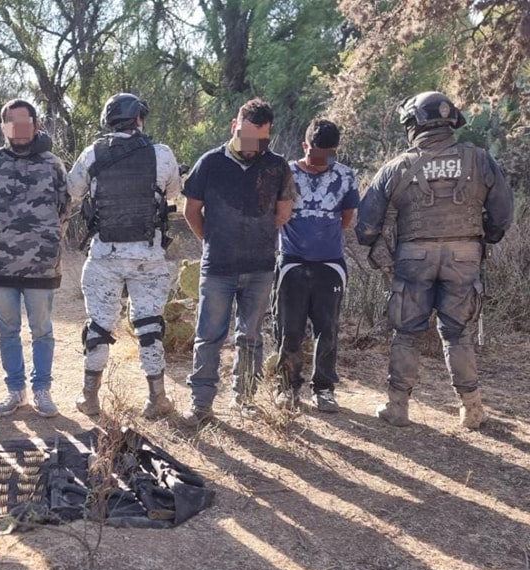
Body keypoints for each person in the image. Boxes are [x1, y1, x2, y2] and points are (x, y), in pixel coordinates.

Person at [357, 91, 513, 429]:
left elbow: (366, 227)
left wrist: (383, 246)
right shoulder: (480, 160)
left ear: (414, 124)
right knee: (458, 333)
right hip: (464, 255)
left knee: (407, 334)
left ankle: (397, 407)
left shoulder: (396, 167)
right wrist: (479, 237)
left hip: (414, 257)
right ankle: (471, 410)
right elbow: (501, 217)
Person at [68, 93, 181, 419]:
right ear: (139, 120)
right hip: (148, 257)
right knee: (149, 326)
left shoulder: (93, 153)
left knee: (99, 327)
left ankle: (90, 399)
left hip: (104, 256)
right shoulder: (161, 154)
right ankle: (156, 399)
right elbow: (173, 193)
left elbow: (74, 191)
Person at [183, 98, 295, 425]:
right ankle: (201, 404)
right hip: (217, 266)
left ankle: (244, 398)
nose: (252, 147)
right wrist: (212, 239)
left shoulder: (277, 166)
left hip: (260, 268)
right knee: (208, 337)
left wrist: (255, 231)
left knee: (251, 337)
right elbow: (192, 212)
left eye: (260, 140)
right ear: (235, 126)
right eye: (247, 138)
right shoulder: (209, 163)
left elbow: (283, 212)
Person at [0, 99, 69, 417]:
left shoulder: (52, 164)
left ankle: (42, 389)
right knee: (7, 331)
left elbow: (64, 208)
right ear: (3, 127)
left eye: (25, 122)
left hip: (40, 265)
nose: (19, 129)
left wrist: (49, 244)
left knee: (42, 330)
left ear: (36, 125)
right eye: (12, 123)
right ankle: (16, 391)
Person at [273, 119, 358, 412]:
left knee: (328, 329)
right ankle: (286, 387)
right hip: (292, 262)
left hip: (329, 263)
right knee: (289, 328)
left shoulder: (346, 175)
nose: (322, 162)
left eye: (329, 155)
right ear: (305, 146)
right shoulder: (286, 172)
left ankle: (323, 388)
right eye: (316, 154)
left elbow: (347, 217)